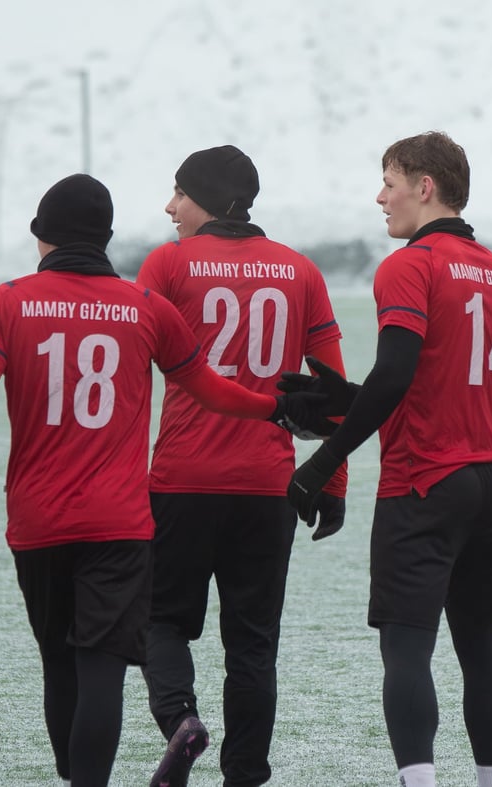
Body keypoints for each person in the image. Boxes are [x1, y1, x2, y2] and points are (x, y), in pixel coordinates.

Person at [0, 173, 333, 787]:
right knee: (103, 670)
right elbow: (210, 389)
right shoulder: (145, 307)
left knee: (60, 667)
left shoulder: (5, 302)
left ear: (42, 236)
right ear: (106, 239)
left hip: (38, 520)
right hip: (122, 522)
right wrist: (278, 409)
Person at [281, 131, 492, 787]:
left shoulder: (410, 265)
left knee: (407, 646)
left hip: (427, 479)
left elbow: (396, 374)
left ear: (425, 187)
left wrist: (323, 460)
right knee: (480, 645)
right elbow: (437, 384)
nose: (380, 197)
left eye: (389, 183)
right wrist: (346, 398)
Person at [135, 144, 348, 787]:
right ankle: (246, 776)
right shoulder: (301, 271)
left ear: (208, 198)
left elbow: (126, 370)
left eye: (180, 192)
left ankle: (180, 720)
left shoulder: (167, 264)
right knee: (253, 645)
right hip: (267, 487)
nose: (170, 207)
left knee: (159, 621)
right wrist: (333, 481)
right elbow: (334, 391)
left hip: (182, 479)